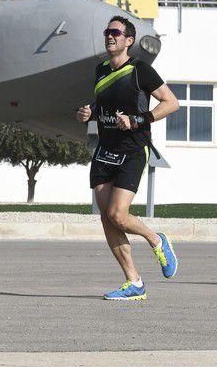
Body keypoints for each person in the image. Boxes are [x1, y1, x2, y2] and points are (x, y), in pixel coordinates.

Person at [76, 16, 180, 300]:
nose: (110, 36)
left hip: (132, 149)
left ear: (129, 41)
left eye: (116, 32)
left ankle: (156, 239)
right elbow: (105, 106)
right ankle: (133, 282)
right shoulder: (100, 71)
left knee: (118, 214)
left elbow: (172, 103)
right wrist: (90, 113)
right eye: (107, 31)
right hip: (104, 151)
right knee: (107, 219)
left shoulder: (141, 71)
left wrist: (138, 120)